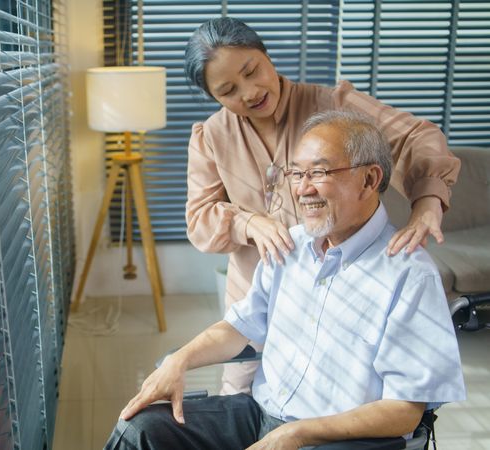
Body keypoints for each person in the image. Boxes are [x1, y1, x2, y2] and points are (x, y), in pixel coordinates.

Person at [105, 111, 466, 450]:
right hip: (263, 415)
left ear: (369, 179)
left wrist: (296, 433)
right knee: (141, 430)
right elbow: (238, 327)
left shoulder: (408, 275)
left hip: (335, 439)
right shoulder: (290, 246)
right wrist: (179, 361)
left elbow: (404, 409)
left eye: (318, 173)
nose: (302, 189)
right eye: (296, 174)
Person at [184, 17, 461, 394]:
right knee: (240, 393)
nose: (249, 92)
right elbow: (200, 218)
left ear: (266, 54)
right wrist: (247, 223)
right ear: (214, 97)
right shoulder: (212, 136)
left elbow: (417, 137)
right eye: (229, 90)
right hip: (256, 296)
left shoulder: (334, 106)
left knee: (332, 399)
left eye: (252, 71)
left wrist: (427, 201)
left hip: (343, 295)